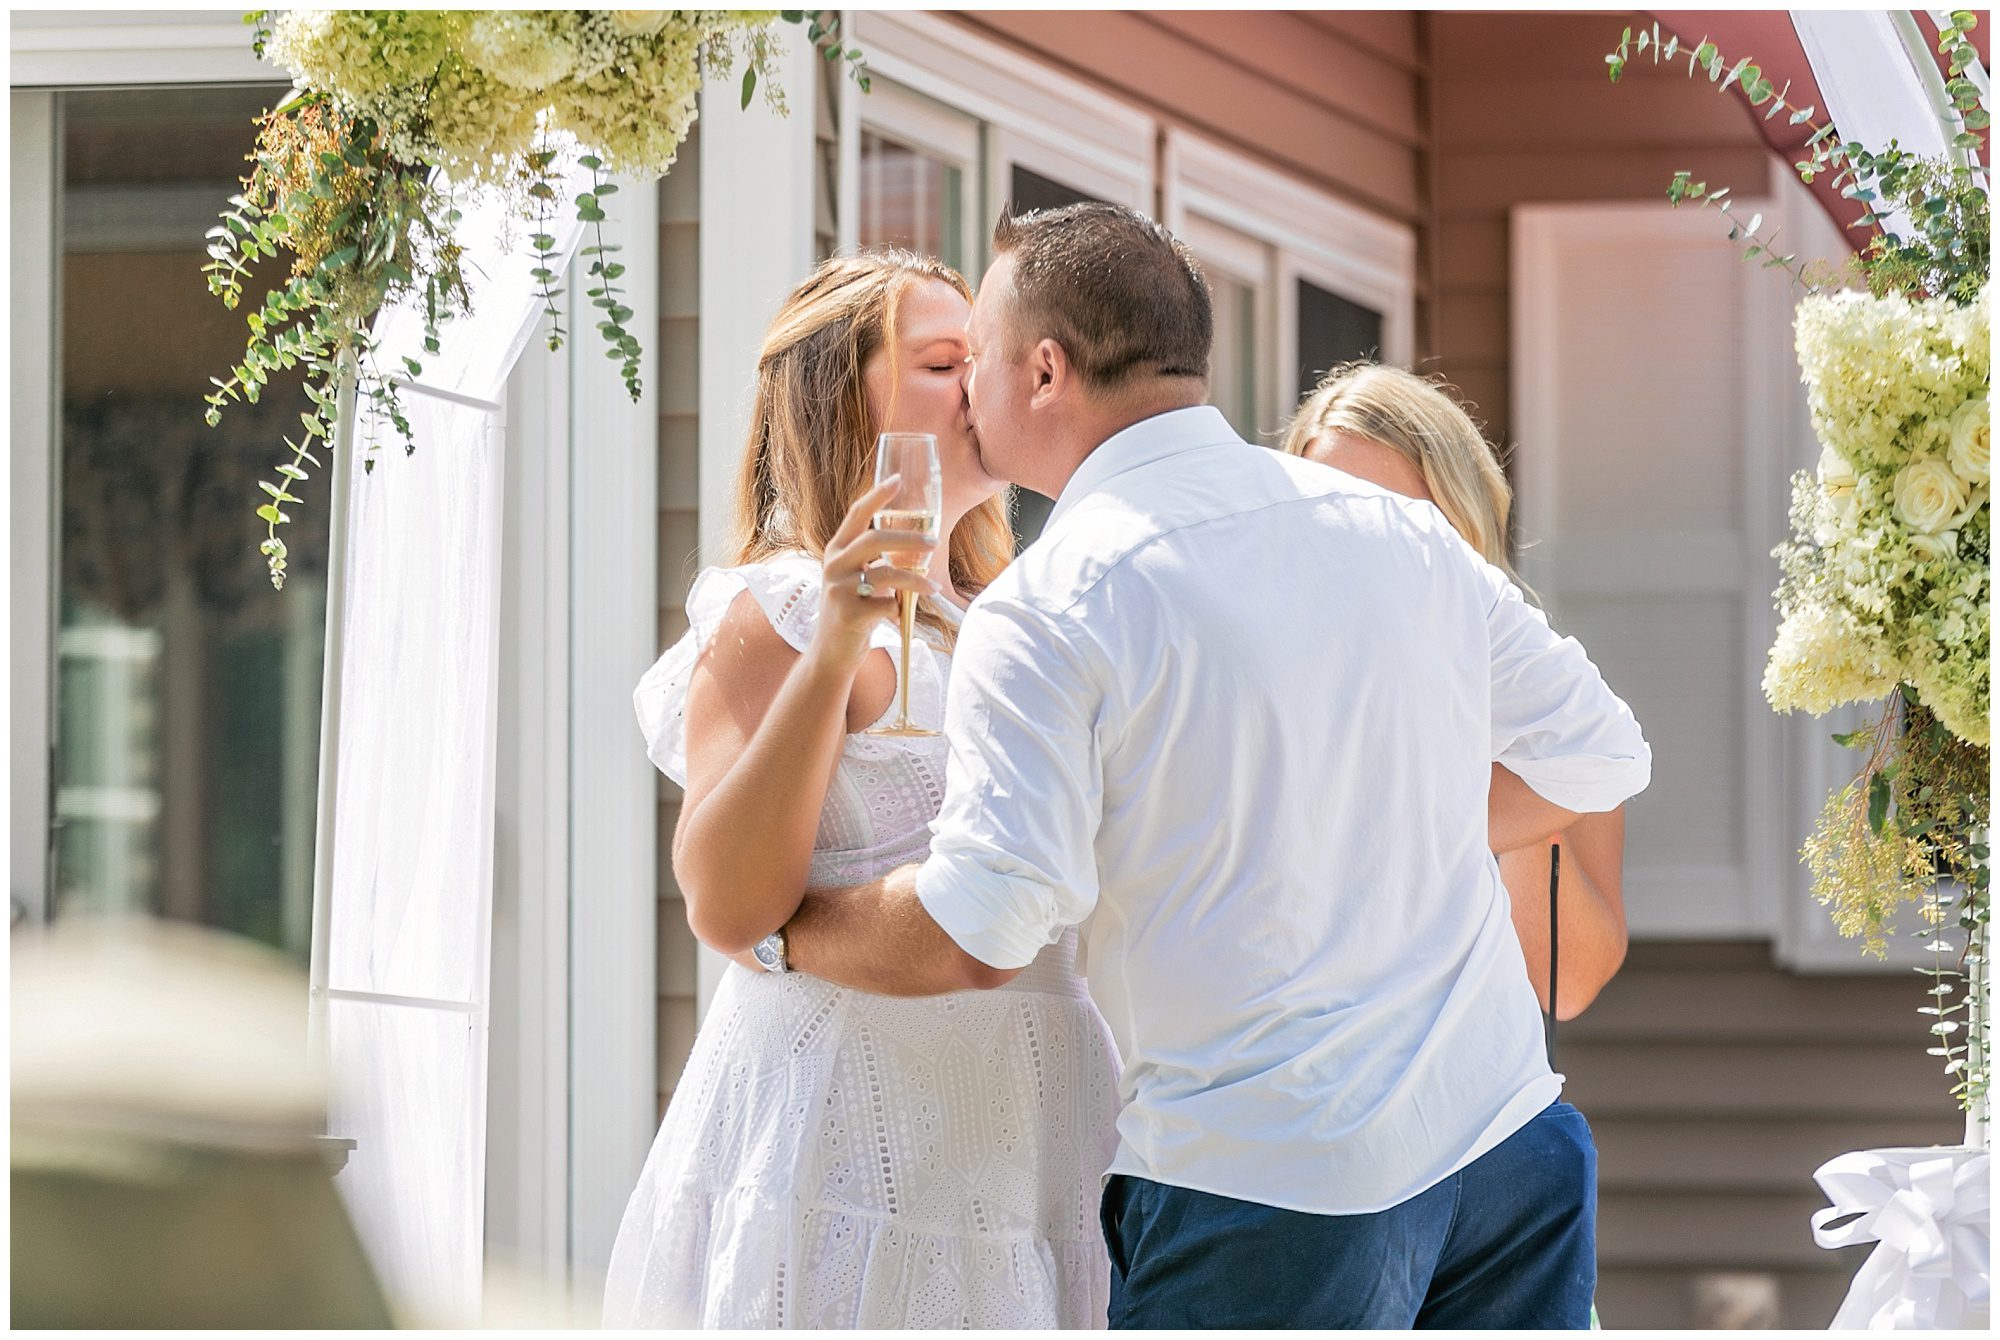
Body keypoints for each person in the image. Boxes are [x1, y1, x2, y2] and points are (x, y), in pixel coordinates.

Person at [766, 204, 1652, 1329]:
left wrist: (787, 924)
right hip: (1509, 1151)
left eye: (976, 356)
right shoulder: (1398, 532)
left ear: (1043, 370)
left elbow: (981, 929)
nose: (965, 388)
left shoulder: (1050, 604)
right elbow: (1598, 753)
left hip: (1271, 1187)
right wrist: (1373, 819)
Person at [602, 250, 1121, 1329]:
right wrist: (839, 636)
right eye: (944, 362)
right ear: (846, 399)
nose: (981, 384)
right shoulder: (780, 608)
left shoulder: (1019, 614)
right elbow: (726, 902)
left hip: (1035, 1129)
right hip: (842, 1127)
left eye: (982, 358)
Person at [1281, 361, 1629, 1023]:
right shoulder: (1256, 699)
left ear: (1461, 533)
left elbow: (1565, 984)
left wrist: (1499, 742)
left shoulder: (1561, 722)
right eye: (1330, 522)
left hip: (1470, 1109)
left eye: (1394, 526)